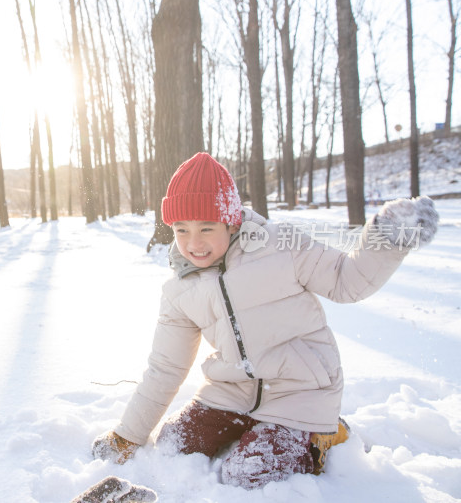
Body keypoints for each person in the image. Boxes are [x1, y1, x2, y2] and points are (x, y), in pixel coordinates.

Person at [91, 152, 439, 489]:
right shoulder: (181, 289)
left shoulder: (281, 247)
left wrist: (387, 238)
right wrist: (129, 435)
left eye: (206, 228)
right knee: (173, 447)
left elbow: (346, 282)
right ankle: (253, 428)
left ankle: (324, 432)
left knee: (248, 475)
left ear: (231, 220)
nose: (193, 244)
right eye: (181, 230)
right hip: (232, 391)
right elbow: (166, 367)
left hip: (300, 390)